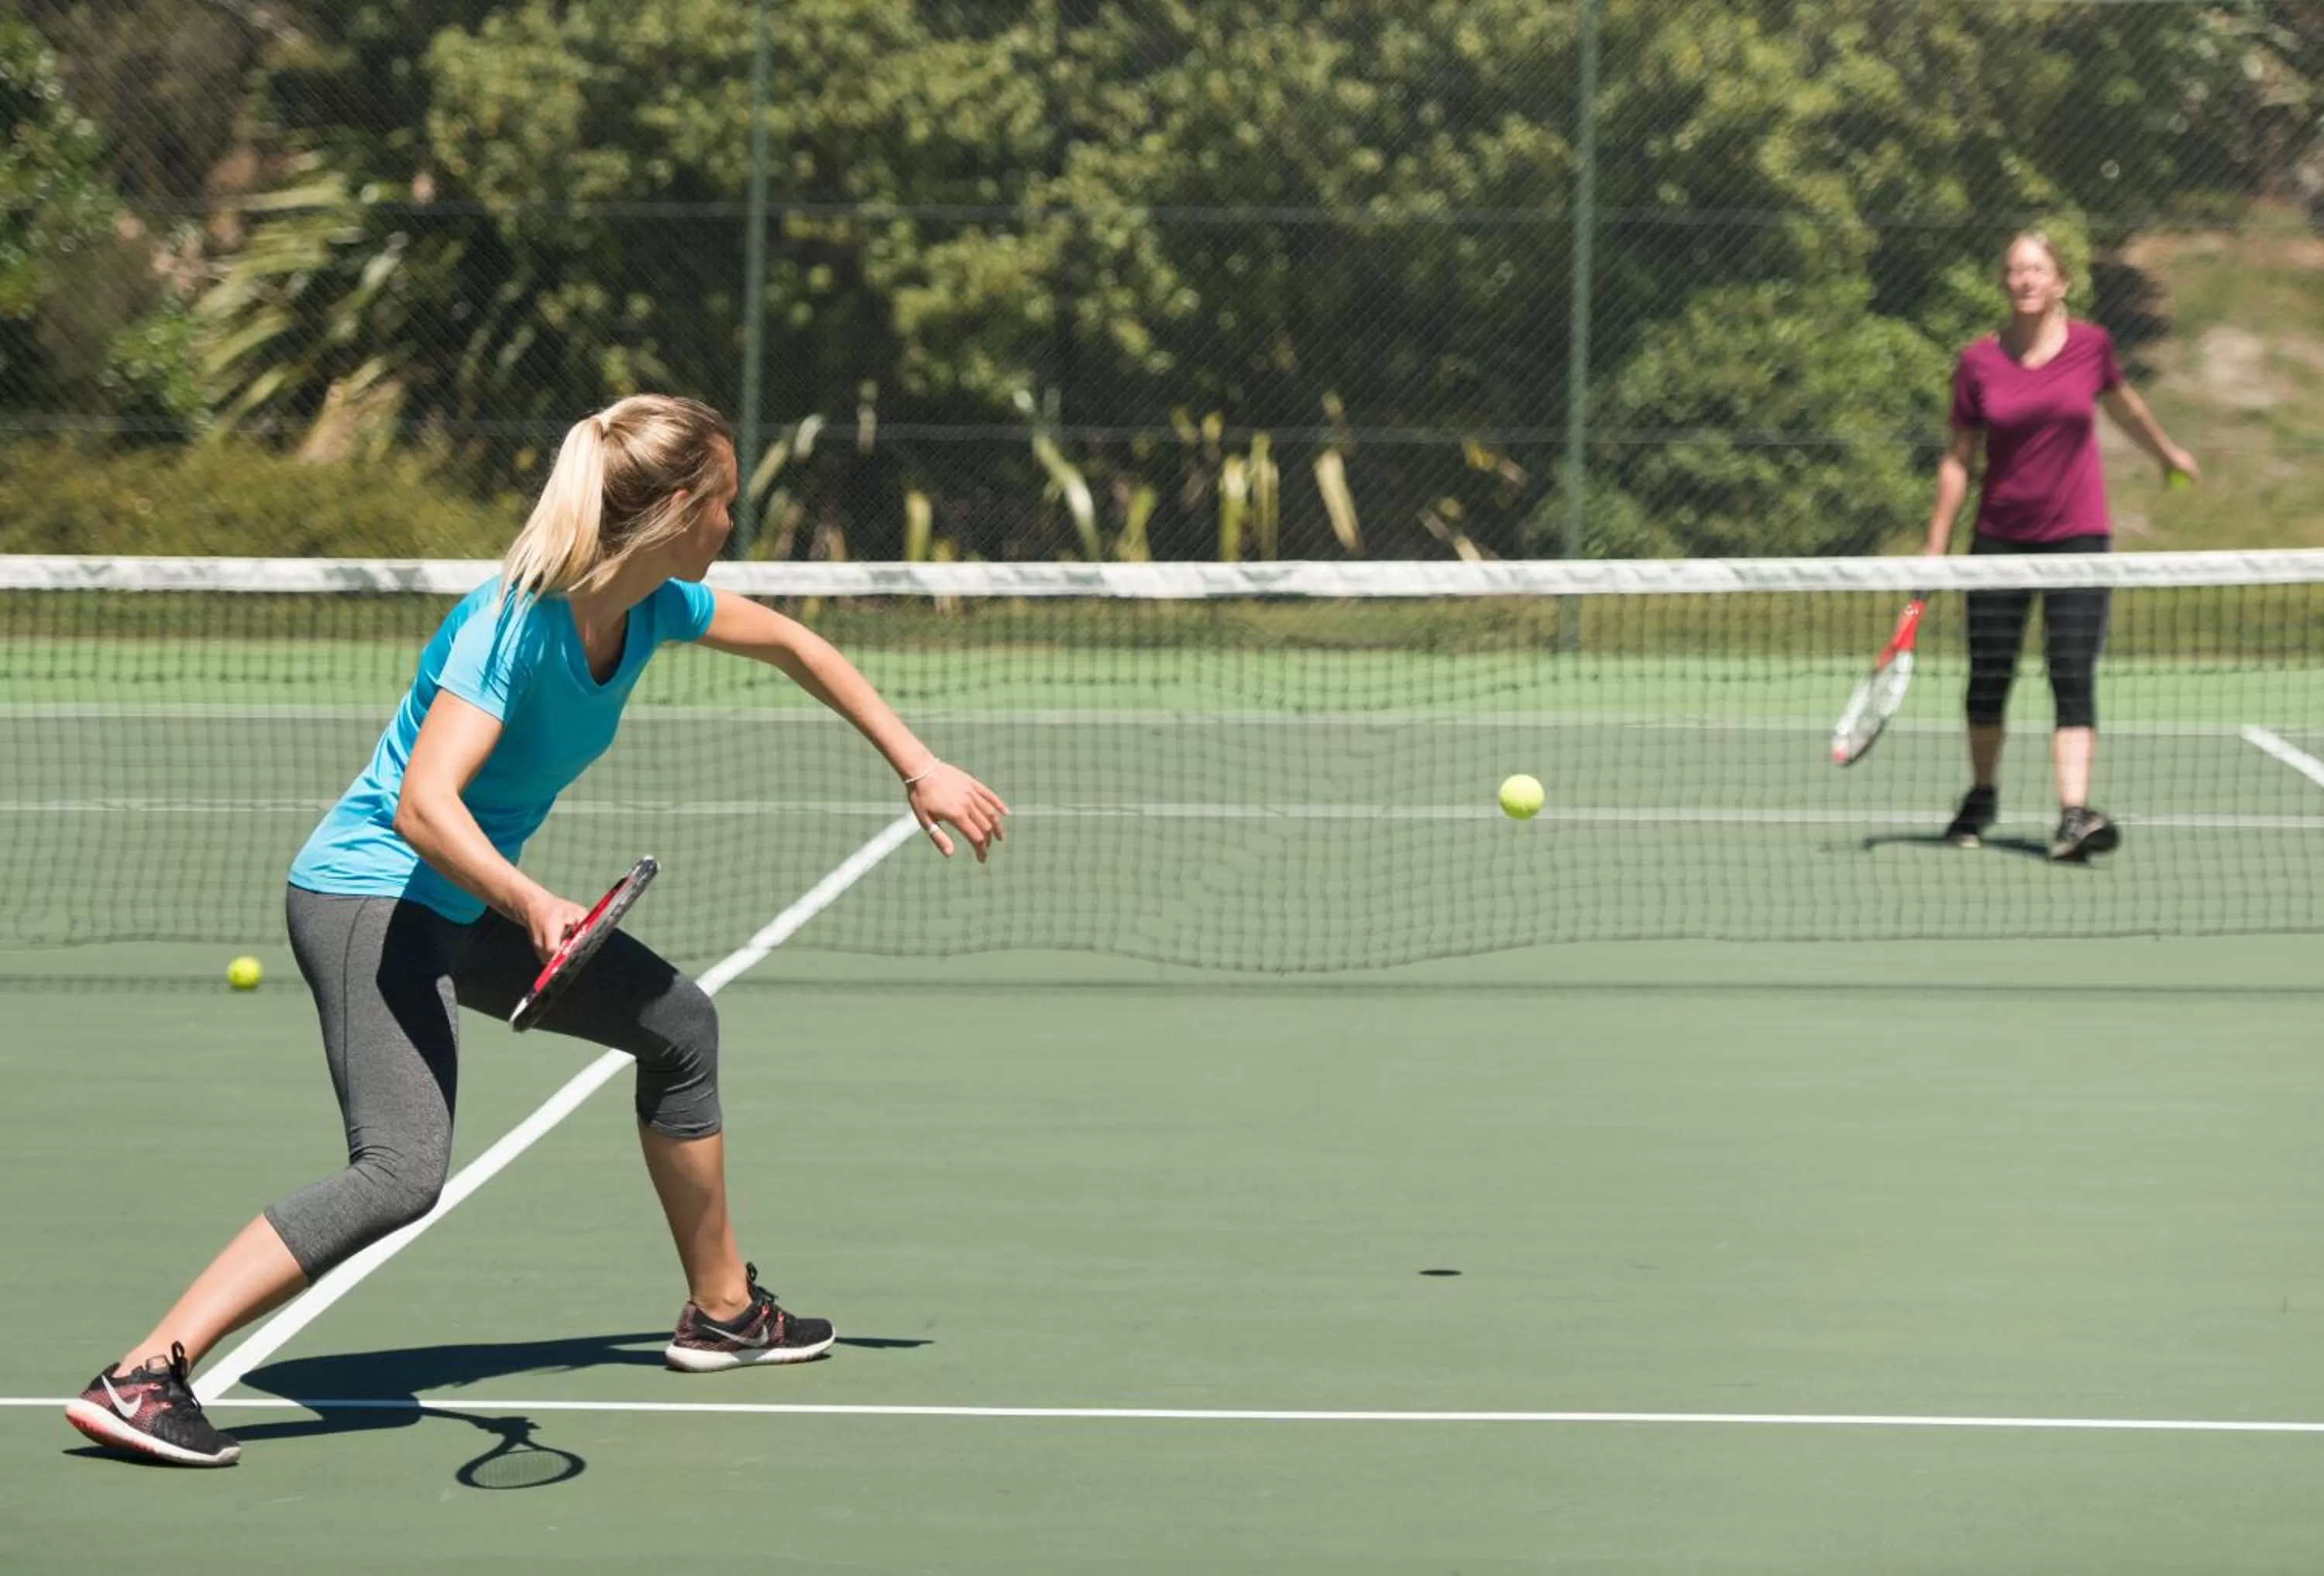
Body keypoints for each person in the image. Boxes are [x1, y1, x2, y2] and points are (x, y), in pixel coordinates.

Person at [65, 394, 1010, 1468]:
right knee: (400, 1170)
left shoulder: (655, 607)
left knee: (679, 1027)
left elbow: (794, 643)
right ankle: (145, 1373)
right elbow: (423, 805)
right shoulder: (509, 626)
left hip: (460, 900)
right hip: (370, 897)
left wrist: (918, 766)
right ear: (675, 510)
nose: (731, 522)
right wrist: (532, 902)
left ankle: (725, 1313)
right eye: (724, 502)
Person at [1922, 229, 2199, 861]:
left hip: (2079, 539)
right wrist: (1935, 546)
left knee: (2071, 673)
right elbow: (1958, 458)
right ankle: (1982, 794)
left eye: (2037, 270)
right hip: (1999, 541)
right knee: (1988, 678)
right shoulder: (1977, 362)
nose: (2025, 280)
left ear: (2060, 282)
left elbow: (2125, 408)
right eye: (2015, 270)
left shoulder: (2091, 347)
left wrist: (2166, 455)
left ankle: (2073, 815)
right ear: (2004, 282)